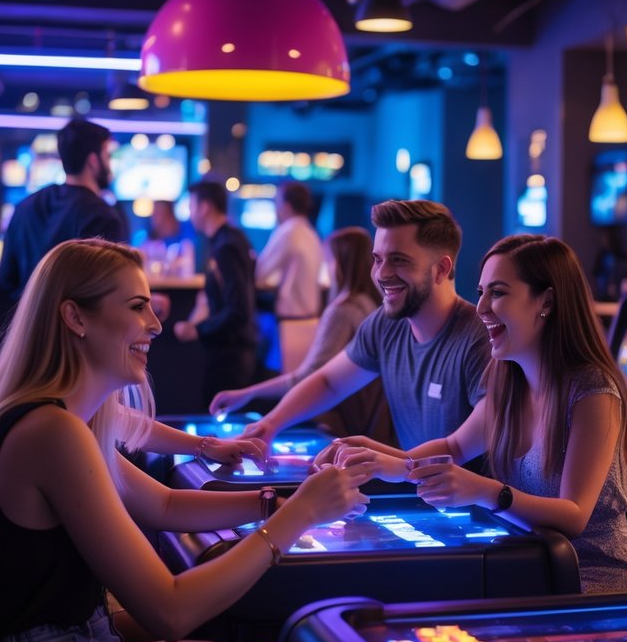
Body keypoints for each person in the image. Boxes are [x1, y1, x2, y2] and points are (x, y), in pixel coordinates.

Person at [0, 238, 368, 642]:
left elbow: (164, 503)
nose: (156, 324)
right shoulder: (51, 433)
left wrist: (276, 504)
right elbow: (171, 610)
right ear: (75, 317)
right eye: (137, 307)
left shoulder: (57, 419)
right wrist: (296, 518)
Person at [324, 235, 627, 594]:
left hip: (591, 579)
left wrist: (487, 492)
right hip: (526, 568)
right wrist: (379, 459)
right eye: (481, 292)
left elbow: (574, 515)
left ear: (547, 301)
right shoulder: (508, 380)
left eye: (498, 293)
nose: (481, 308)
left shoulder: (593, 391)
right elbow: (454, 447)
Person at [242, 200, 490, 452]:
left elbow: (459, 449)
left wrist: (381, 458)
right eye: (378, 259)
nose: (382, 274)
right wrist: (270, 424)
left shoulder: (478, 338)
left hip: (469, 492)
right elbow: (330, 382)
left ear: (441, 268)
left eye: (399, 260)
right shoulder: (385, 324)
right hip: (414, 487)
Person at [210, 226, 391, 439]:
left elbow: (312, 378)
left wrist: (247, 394)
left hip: (339, 424)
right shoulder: (370, 305)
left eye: (328, 261)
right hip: (368, 425)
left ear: (340, 264)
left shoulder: (342, 311)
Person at [0, 118, 123, 299]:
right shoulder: (102, 216)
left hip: (27, 325)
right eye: (107, 156)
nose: (110, 165)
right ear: (93, 161)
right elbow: (108, 292)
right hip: (76, 326)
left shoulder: (24, 207)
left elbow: (6, 281)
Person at [173, 181, 258, 407]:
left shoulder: (226, 246)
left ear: (205, 207)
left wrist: (198, 330)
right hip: (233, 351)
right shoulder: (229, 239)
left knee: (220, 426)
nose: (190, 213)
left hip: (231, 354)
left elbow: (239, 310)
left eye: (191, 205)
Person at [255, 181, 323, 321]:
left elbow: (260, 275)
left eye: (277, 202)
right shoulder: (312, 234)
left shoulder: (287, 231)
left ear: (286, 206)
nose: (276, 208)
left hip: (291, 315)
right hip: (311, 315)